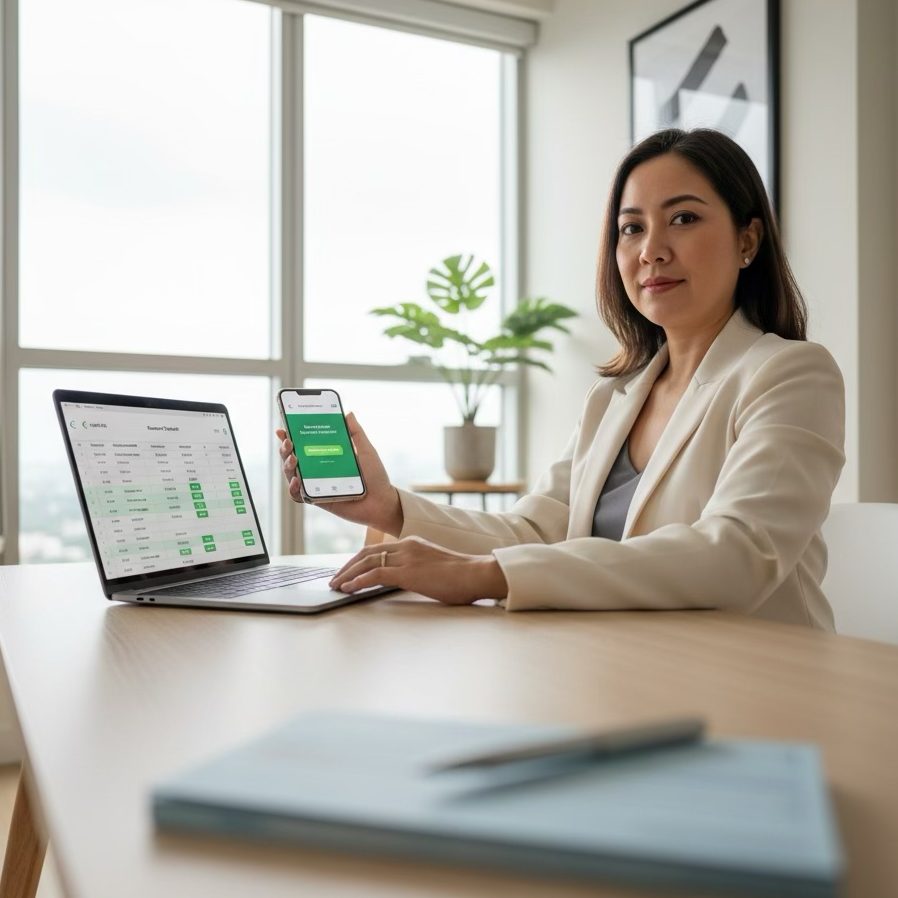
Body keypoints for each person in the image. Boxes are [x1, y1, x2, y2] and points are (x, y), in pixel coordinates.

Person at [277, 129, 845, 629]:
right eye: (631, 228)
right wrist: (390, 508)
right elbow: (534, 532)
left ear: (747, 241)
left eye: (684, 218)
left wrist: (487, 575)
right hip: (626, 669)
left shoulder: (788, 373)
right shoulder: (612, 399)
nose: (651, 251)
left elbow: (737, 554)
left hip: (761, 683)